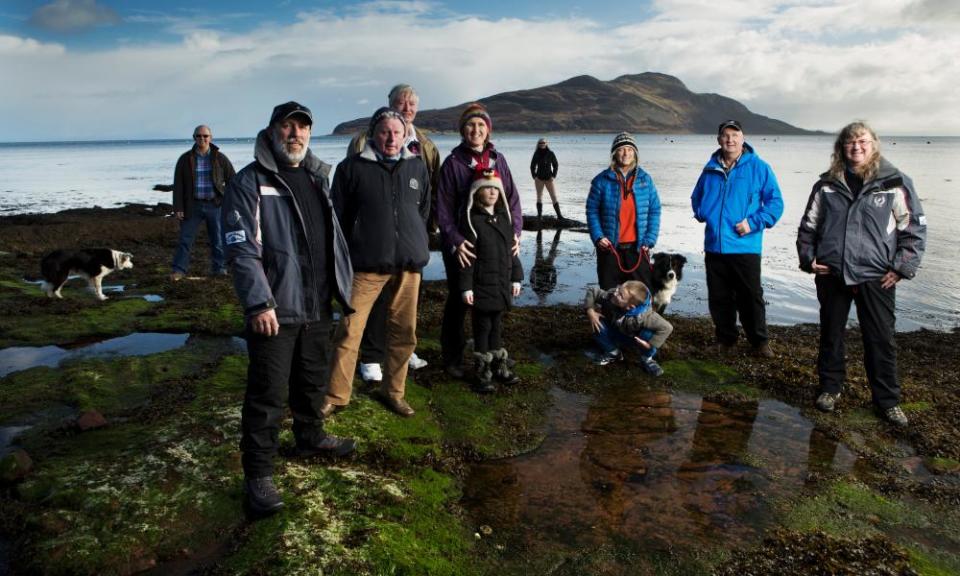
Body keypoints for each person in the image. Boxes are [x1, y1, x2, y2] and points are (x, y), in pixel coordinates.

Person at [222, 102, 356, 516]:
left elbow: (330, 237)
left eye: (302, 127)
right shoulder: (250, 181)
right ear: (273, 131)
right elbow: (240, 248)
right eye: (288, 126)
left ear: (309, 135)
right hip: (275, 309)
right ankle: (258, 475)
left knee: (311, 381)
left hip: (317, 304)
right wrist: (259, 302)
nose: (295, 133)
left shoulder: (318, 179)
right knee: (267, 393)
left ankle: (310, 435)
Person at [797, 121, 926, 427]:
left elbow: (914, 229)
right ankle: (829, 388)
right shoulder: (826, 184)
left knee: (880, 339)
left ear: (874, 144)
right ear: (841, 147)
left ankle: (887, 401)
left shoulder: (894, 182)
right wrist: (808, 259)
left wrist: (901, 267)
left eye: (862, 142)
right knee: (831, 334)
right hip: (832, 273)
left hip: (876, 275)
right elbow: (808, 227)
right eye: (850, 142)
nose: (856, 147)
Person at [322, 107, 431, 418]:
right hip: (366, 265)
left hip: (409, 267)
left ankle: (394, 392)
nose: (391, 138)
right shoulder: (351, 168)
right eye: (385, 131)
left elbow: (423, 210)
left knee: (404, 333)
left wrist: (413, 241)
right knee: (349, 330)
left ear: (405, 135)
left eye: (397, 132)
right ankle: (336, 395)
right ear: (373, 134)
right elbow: (337, 218)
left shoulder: (417, 167)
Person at [347, 84, 438, 382]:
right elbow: (351, 185)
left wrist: (422, 232)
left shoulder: (425, 144)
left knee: (405, 305)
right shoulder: (363, 139)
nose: (407, 107)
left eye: (411, 103)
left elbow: (428, 193)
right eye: (401, 102)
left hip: (411, 239)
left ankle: (402, 352)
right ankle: (371, 355)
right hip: (373, 240)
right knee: (375, 300)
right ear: (390, 104)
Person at [437, 102, 522, 378]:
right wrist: (454, 240)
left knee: (494, 298)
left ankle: (492, 354)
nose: (476, 130)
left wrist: (516, 233)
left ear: (488, 130)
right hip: (464, 247)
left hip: (494, 243)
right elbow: (443, 208)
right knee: (460, 300)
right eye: (471, 125)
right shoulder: (453, 163)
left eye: (481, 125)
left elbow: (513, 200)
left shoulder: (499, 161)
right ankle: (452, 357)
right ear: (463, 130)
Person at [691, 120, 784, 358]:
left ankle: (759, 342)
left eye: (734, 135)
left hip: (745, 246)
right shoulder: (710, 168)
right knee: (719, 297)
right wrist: (704, 213)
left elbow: (775, 203)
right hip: (715, 245)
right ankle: (725, 339)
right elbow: (697, 197)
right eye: (725, 135)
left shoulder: (759, 167)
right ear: (719, 140)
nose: (729, 139)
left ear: (743, 138)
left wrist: (753, 223)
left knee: (751, 297)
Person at [460, 169, 523, 393]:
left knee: (497, 326)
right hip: (481, 286)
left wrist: (516, 278)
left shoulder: (505, 220)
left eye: (496, 188)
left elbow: (512, 252)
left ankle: (499, 367)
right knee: (482, 327)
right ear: (477, 193)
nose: (492, 192)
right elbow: (467, 260)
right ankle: (482, 371)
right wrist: (466, 287)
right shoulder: (472, 222)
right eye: (487, 188)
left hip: (500, 285)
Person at [586, 132, 662, 290]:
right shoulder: (601, 181)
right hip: (609, 248)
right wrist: (598, 236)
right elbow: (592, 210)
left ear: (635, 153)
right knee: (610, 293)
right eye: (621, 149)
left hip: (638, 248)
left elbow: (655, 210)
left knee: (641, 294)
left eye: (629, 149)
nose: (626, 153)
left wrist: (650, 238)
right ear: (614, 153)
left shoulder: (645, 180)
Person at [171, 124, 236, 280]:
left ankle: (219, 269)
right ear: (194, 138)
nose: (202, 139)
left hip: (215, 205)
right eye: (199, 136)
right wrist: (178, 207)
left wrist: (229, 202)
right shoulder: (185, 159)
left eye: (205, 136)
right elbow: (178, 185)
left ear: (210, 138)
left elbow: (233, 180)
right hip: (192, 205)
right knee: (185, 240)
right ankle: (179, 270)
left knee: (218, 240)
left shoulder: (220, 158)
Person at [584, 280, 673, 376]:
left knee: (648, 333)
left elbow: (667, 327)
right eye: (619, 288)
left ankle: (647, 359)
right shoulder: (612, 296)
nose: (615, 293)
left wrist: (650, 345)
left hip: (636, 339)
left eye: (620, 295)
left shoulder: (646, 316)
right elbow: (593, 291)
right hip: (616, 331)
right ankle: (613, 352)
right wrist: (590, 311)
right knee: (597, 323)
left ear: (630, 307)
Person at [530, 137, 562, 222]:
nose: (542, 144)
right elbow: (532, 166)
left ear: (546, 143)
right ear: (538, 144)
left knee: (554, 196)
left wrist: (553, 176)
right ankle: (539, 216)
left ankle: (559, 216)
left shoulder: (551, 153)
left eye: (543, 143)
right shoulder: (536, 154)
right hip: (539, 179)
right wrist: (534, 176)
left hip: (549, 179)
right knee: (539, 197)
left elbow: (556, 165)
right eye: (540, 143)